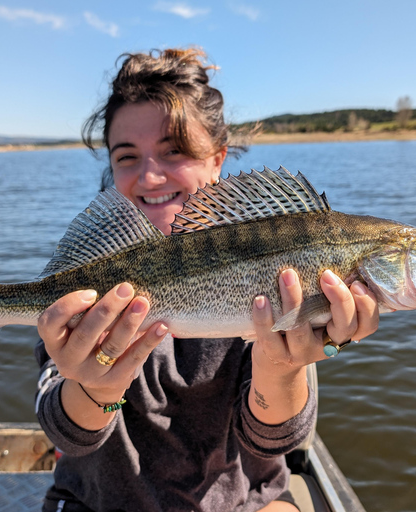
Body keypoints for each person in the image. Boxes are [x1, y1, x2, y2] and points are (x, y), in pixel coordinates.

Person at [34, 48, 379, 512]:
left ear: (218, 160)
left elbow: (268, 439)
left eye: (174, 151)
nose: (150, 175)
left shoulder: (278, 271)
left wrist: (281, 368)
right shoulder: (83, 286)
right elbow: (75, 436)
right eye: (127, 157)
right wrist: (100, 391)